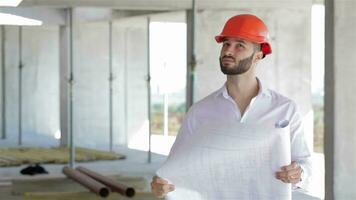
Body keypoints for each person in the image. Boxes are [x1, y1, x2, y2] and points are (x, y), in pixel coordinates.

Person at [151, 14, 312, 198]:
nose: (228, 51)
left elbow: (305, 167)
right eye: (226, 44)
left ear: (258, 56)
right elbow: (174, 171)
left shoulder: (285, 109)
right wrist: (161, 185)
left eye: (239, 46)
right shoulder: (200, 112)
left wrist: (298, 174)